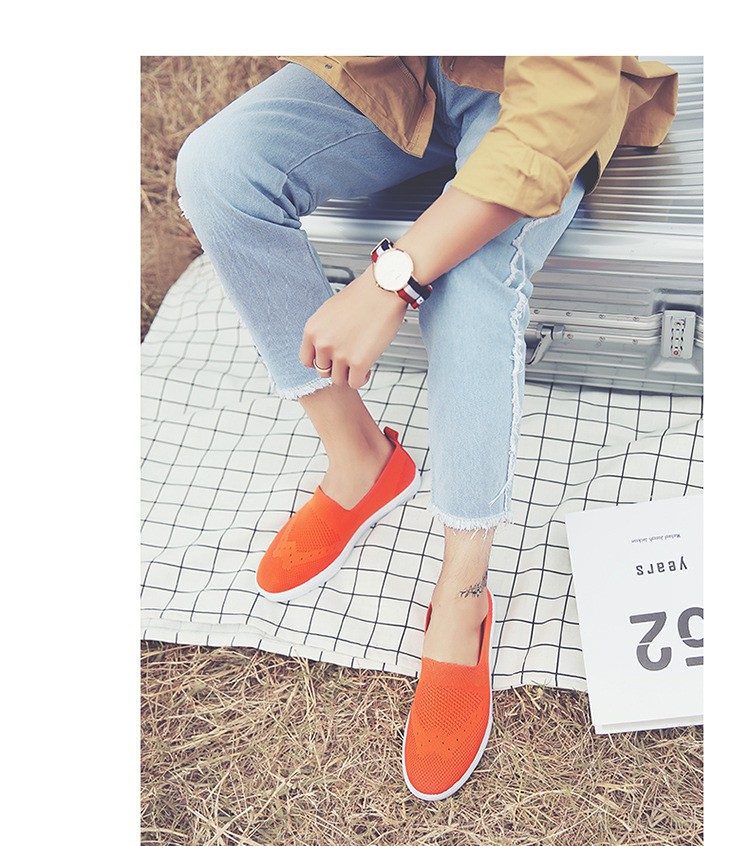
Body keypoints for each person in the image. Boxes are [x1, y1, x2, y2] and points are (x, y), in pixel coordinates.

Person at [175, 56, 677, 801]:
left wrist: (393, 277)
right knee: (218, 168)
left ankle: (464, 590)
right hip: (404, 69)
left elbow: (555, 109)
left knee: (467, 278)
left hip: (544, 84)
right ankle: (360, 460)